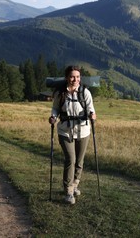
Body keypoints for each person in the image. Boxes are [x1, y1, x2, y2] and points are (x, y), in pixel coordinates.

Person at [48, 66, 96, 204]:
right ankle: (68, 191)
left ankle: (75, 184)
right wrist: (53, 117)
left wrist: (93, 115)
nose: (75, 79)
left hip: (83, 130)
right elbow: (55, 108)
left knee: (79, 161)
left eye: (78, 77)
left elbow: (91, 108)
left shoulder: (85, 92)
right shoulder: (60, 93)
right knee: (71, 159)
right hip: (64, 130)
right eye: (72, 77)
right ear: (67, 78)